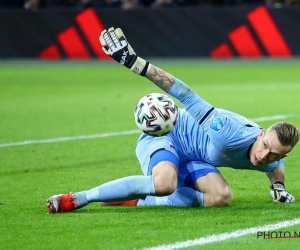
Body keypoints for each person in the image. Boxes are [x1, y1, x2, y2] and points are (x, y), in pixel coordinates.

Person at [47, 27, 298, 213]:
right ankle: (80, 197)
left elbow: (274, 167)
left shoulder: (269, 158)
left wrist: (278, 188)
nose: (264, 156)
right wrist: (136, 63)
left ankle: (143, 198)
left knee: (221, 197)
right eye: (265, 146)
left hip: (195, 157)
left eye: (274, 154)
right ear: (261, 133)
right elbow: (184, 94)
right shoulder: (226, 130)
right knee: (166, 183)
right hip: (168, 135)